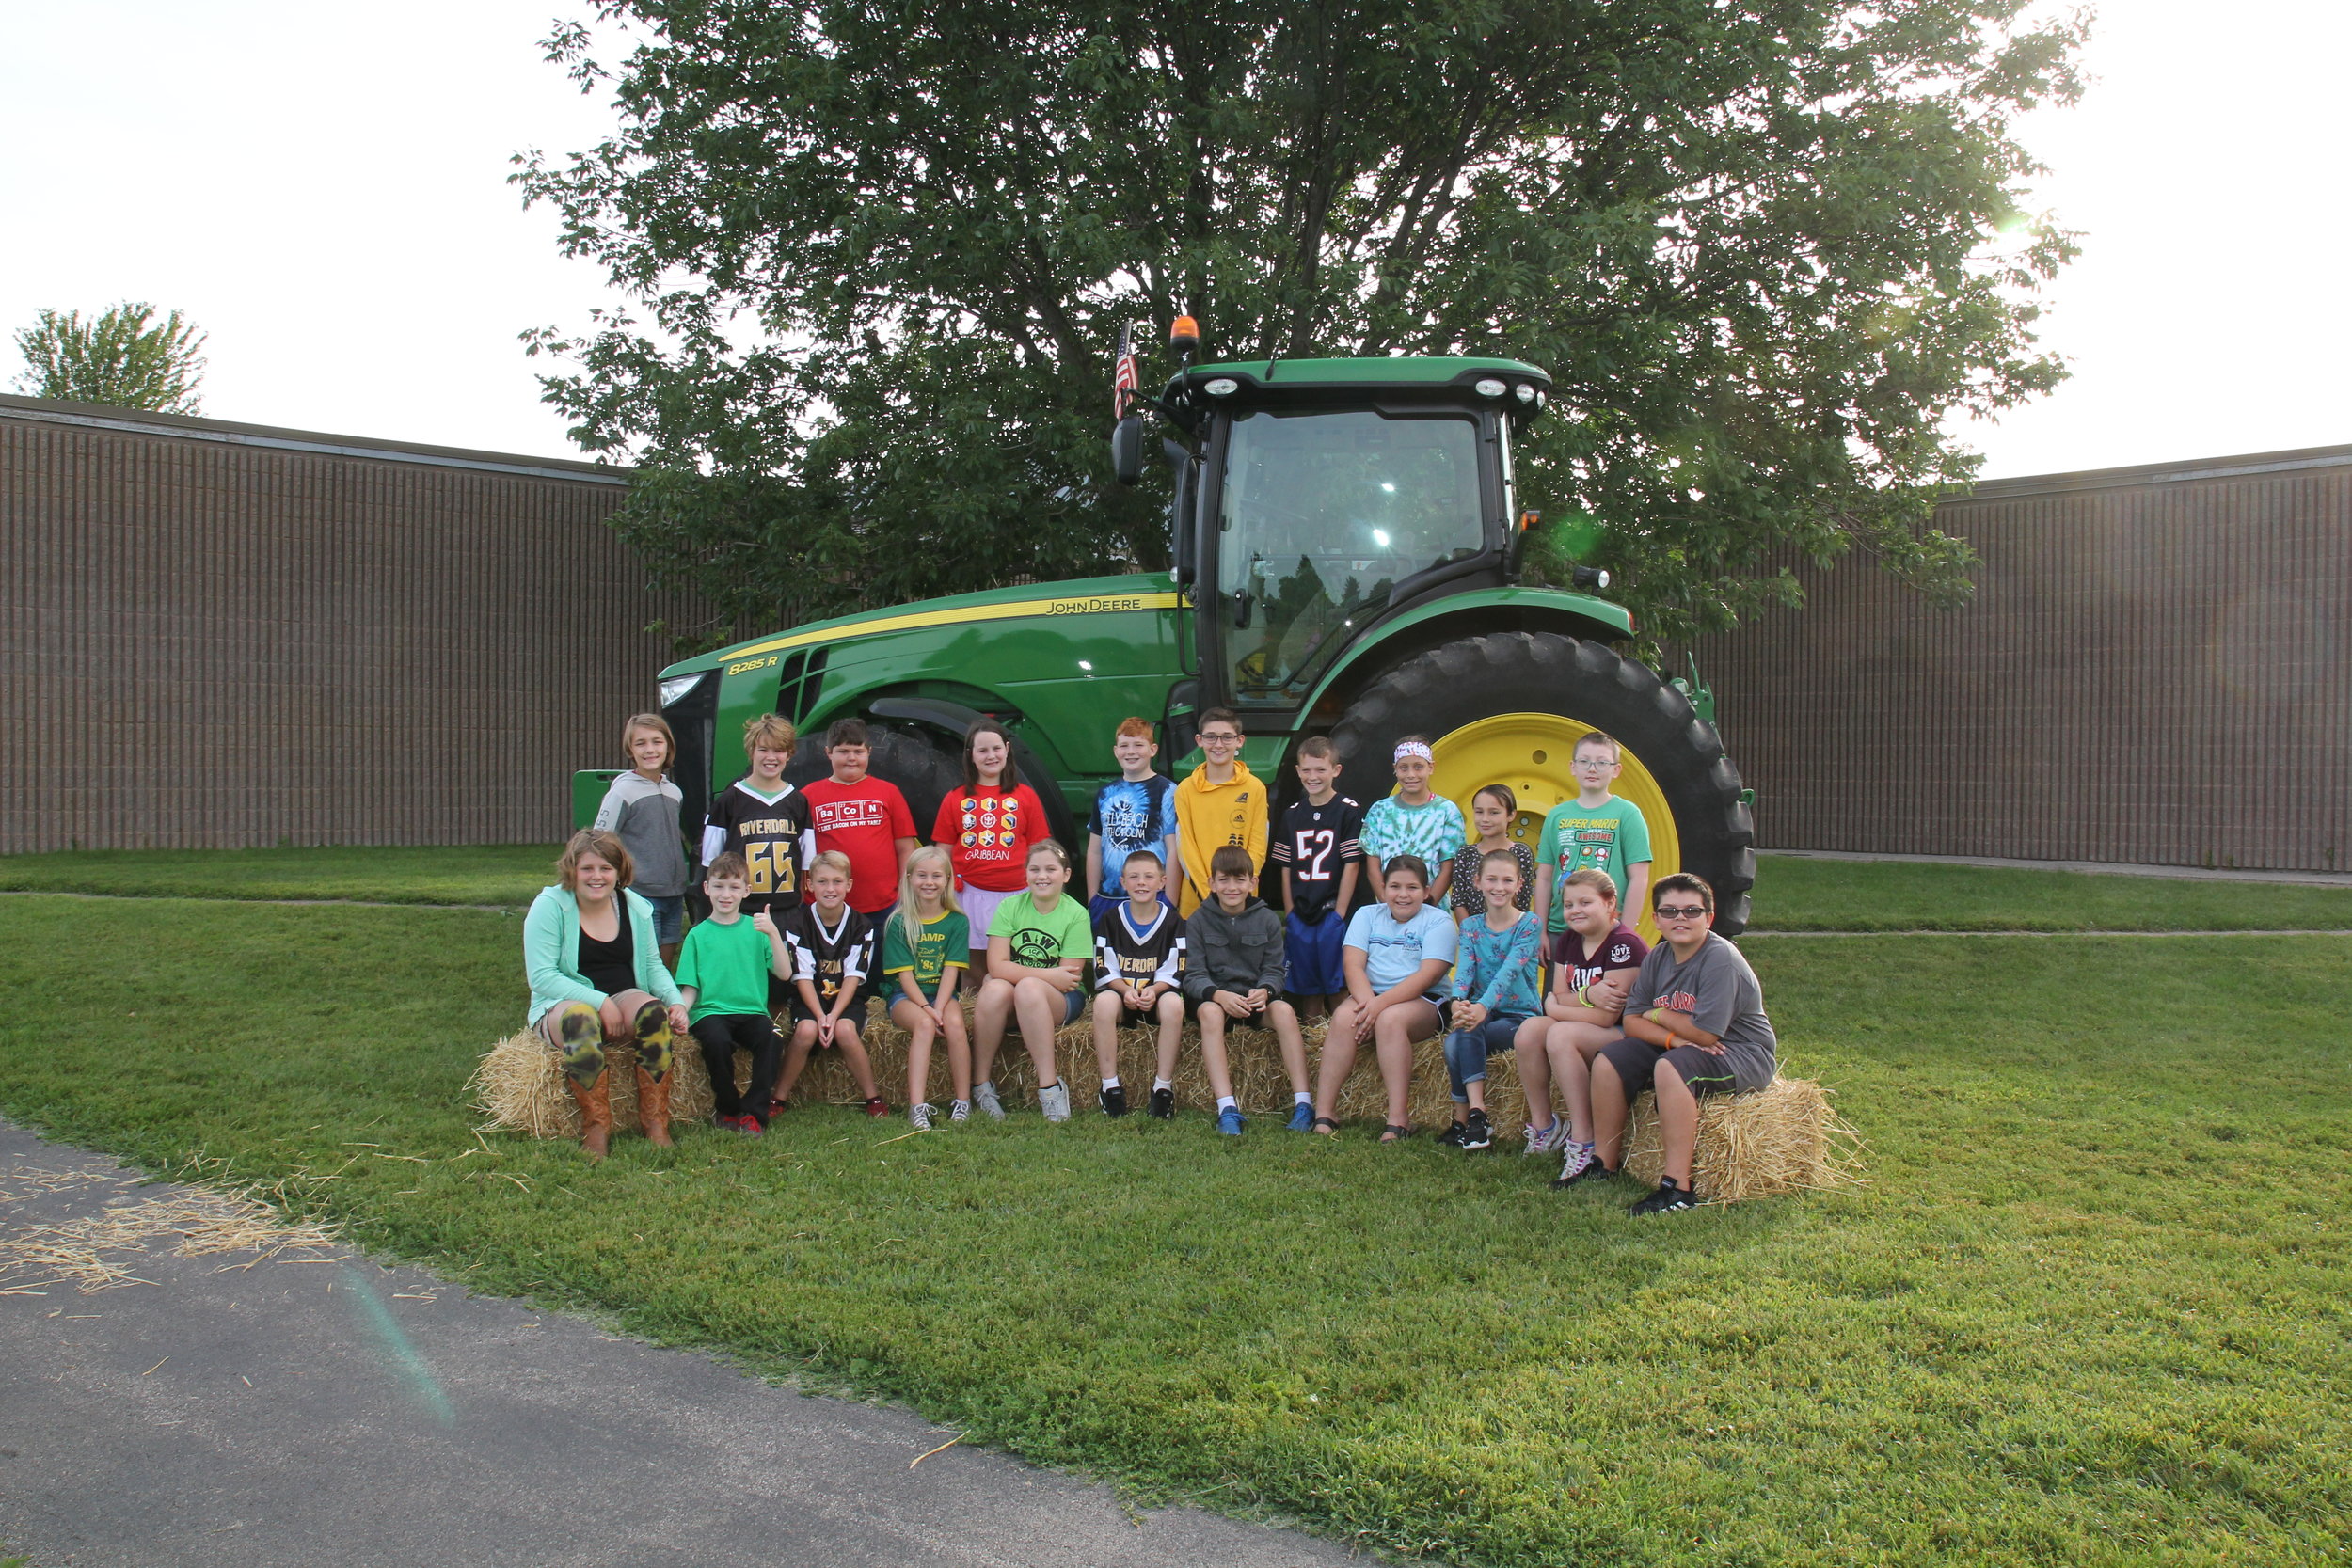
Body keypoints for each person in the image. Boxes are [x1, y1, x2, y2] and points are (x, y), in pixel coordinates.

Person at [1587, 874, 1777, 1214]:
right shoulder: (1658, 956)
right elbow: (1632, 1023)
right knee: (1610, 1060)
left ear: (1709, 918)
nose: (1680, 918)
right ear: (1656, 919)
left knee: (1670, 1067)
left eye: (1692, 910)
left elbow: (1707, 1036)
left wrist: (1658, 1014)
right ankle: (1604, 1163)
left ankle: (1677, 1189)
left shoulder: (1721, 958)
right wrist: (1674, 1037)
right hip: (1687, 1044)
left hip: (1739, 1052)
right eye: (1670, 911)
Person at [522, 828, 689, 1162]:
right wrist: (599, 1002)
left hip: (623, 995)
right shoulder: (550, 906)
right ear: (573, 870)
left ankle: (656, 1123)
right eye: (587, 869)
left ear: (619, 871)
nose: (596, 877)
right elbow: (541, 976)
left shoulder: (634, 907)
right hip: (562, 1003)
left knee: (654, 1015)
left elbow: (653, 964)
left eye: (605, 869)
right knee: (582, 1020)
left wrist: (675, 1002)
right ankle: (596, 1128)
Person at [1309, 855, 1457, 1142]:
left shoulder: (1439, 920)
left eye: (1413, 888)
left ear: (1427, 891)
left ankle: (1398, 1119)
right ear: (1383, 888)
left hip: (1424, 1000)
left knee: (1390, 1020)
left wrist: (1378, 1007)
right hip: (1370, 996)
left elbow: (1427, 976)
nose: (1403, 895)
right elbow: (1352, 965)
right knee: (1342, 1017)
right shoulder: (1366, 915)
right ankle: (1325, 1113)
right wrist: (1367, 1005)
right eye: (1395, 886)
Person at [1518, 868, 1646, 1179]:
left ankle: (1584, 1138)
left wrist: (1558, 1006)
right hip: (1590, 1026)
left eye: (1585, 902)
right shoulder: (1569, 941)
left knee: (1559, 1034)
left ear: (1609, 902)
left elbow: (1605, 1015)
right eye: (1569, 904)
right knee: (1529, 1032)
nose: (1575, 911)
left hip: (1627, 1035)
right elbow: (1559, 995)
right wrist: (1588, 993)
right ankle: (1545, 1126)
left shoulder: (1625, 945)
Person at [1180, 845, 1313, 1134]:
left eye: (1240, 880)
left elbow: (1275, 970)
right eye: (1224, 880)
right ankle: (1227, 1108)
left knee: (1285, 1011)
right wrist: (1218, 994)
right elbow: (1193, 975)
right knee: (1212, 1014)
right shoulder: (1198, 921)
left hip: (1253, 1001)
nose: (1232, 887)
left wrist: (1265, 991)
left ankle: (1304, 1103)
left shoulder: (1267, 919)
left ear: (1252, 883)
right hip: (1213, 1000)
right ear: (1211, 883)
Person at [971, 839, 1092, 1121]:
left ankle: (1050, 1088)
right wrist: (1047, 974)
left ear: (1066, 875)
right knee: (994, 989)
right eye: (1035, 869)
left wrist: (1020, 976)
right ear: (1025, 873)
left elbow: (1068, 981)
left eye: (1051, 869)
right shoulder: (1009, 907)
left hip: (1060, 1001)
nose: (1042, 876)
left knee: (1024, 987)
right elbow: (995, 965)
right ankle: (981, 1085)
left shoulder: (1076, 914)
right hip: (1020, 993)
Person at [699, 714, 815, 996]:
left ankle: (772, 1027)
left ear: (789, 754)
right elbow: (709, 864)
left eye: (778, 750)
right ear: (751, 751)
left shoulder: (798, 802)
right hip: (742, 911)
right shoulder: (729, 800)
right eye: (763, 749)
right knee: (741, 980)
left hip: (785, 911)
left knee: (780, 984)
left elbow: (807, 865)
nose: (771, 757)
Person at [677, 850, 789, 1136]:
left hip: (752, 1012)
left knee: (772, 1039)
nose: (725, 894)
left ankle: (754, 1113)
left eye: (734, 887)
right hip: (711, 1012)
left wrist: (774, 934)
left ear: (746, 891)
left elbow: (784, 973)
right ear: (706, 889)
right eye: (718, 886)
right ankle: (728, 1107)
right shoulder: (697, 935)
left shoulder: (757, 929)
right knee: (716, 1041)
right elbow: (690, 986)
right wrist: (680, 1009)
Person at [1438, 848, 1544, 1151]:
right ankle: (1471, 1118)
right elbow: (1465, 970)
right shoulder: (1470, 926)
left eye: (1507, 880)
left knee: (1466, 1033)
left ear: (1520, 884)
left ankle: (1474, 1117)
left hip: (1519, 1017)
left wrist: (1481, 1006)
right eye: (1492, 879)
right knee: (1453, 1040)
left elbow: (1509, 971)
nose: (1499, 887)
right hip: (1483, 1011)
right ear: (1477, 882)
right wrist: (1458, 1001)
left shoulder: (1529, 924)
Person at [769, 852, 886, 1117]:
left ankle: (873, 1097)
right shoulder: (797, 923)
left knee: (845, 1030)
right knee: (806, 1032)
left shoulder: (862, 925)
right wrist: (821, 1015)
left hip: (847, 998)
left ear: (849, 885)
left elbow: (854, 976)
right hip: (811, 997)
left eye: (836, 881)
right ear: (809, 885)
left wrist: (833, 1015)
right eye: (822, 882)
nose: (830, 889)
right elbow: (803, 977)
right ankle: (779, 1096)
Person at [931, 719, 1050, 974]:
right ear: (971, 756)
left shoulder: (1026, 796)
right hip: (971, 895)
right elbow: (943, 850)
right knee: (973, 970)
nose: (991, 756)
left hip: (1018, 897)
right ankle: (973, 1013)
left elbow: (1039, 849)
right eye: (982, 750)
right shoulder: (955, 799)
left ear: (1007, 749)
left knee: (1017, 965)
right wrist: (942, 890)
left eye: (996, 748)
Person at [1269, 736, 1363, 1021]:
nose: (1313, 777)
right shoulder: (1292, 814)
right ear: (1298, 771)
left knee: (1337, 986)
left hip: (1331, 909)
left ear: (1335, 770)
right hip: (1302, 910)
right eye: (1307, 770)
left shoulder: (1348, 810)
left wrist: (1340, 913)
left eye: (1320, 770)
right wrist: (1290, 911)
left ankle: (1345, 1042)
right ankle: (1313, 1047)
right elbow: (1285, 867)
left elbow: (1351, 864)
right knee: (1309, 990)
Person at [1531, 731, 1652, 944]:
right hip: (1561, 930)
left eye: (1602, 762)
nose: (1592, 769)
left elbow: (1639, 878)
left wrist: (1626, 934)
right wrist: (1541, 931)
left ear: (1616, 770)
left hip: (1609, 930)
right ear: (1572, 767)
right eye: (1584, 761)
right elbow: (1544, 877)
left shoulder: (1627, 814)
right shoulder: (1557, 816)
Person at [1090, 849, 1184, 1117]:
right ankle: (1110, 1086)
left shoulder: (1174, 921)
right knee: (1104, 1002)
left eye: (1148, 877)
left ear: (1162, 881)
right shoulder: (1109, 920)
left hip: (1157, 997)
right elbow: (1103, 964)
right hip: (1124, 997)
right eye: (1134, 877)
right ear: (1122, 882)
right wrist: (1124, 990)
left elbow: (1177, 966)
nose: (1141, 882)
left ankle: (1163, 1088)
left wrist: (1154, 990)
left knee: (1174, 1005)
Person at [882, 845, 971, 1131]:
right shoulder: (898, 922)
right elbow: (905, 977)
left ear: (948, 879)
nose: (929, 882)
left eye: (936, 876)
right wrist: (928, 1010)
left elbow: (951, 971)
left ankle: (963, 1101)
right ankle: (917, 1106)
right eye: (921, 875)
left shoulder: (957, 921)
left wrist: (941, 1008)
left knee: (956, 1024)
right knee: (923, 1025)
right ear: (908, 878)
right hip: (907, 998)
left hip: (943, 995)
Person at [594, 712, 690, 969]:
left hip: (673, 894)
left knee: (664, 966)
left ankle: (658, 1008)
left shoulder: (674, 792)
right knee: (643, 965)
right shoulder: (622, 791)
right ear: (630, 749)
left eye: (656, 742)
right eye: (641, 743)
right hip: (641, 894)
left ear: (668, 745)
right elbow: (601, 841)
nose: (650, 750)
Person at [801, 717, 919, 921]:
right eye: (843, 751)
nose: (851, 758)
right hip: (828, 906)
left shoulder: (888, 792)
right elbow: (800, 851)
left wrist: (904, 893)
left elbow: (905, 848)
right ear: (828, 753)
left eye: (858, 751)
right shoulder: (808, 796)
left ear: (869, 753)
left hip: (883, 905)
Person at [1171, 707, 1268, 917]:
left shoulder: (1255, 788)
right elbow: (1185, 848)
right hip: (1197, 904)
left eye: (1226, 737)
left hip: (1241, 902)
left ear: (1239, 741)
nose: (1218, 744)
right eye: (1211, 737)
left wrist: (1237, 890)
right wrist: (1211, 895)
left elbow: (1258, 846)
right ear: (1199, 740)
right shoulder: (1185, 790)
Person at [1084, 717, 1180, 924]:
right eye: (1124, 746)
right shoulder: (1105, 794)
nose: (1131, 752)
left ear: (1153, 749)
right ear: (1116, 751)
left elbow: (1173, 849)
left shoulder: (1167, 792)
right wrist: (1093, 898)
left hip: (1153, 898)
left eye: (1138, 745)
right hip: (1109, 897)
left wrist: (1170, 900)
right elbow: (1094, 850)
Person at [1358, 737, 1466, 882]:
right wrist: (1387, 901)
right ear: (1395, 769)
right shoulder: (1379, 811)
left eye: (1418, 767)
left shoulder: (1447, 811)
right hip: (1389, 903)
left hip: (1434, 904)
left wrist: (1429, 903)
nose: (1411, 775)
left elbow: (1448, 869)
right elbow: (1373, 868)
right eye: (1404, 767)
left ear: (1431, 767)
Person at [1446, 784, 1536, 922]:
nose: (1485, 819)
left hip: (1511, 934)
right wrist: (1472, 934)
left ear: (1511, 815)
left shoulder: (1521, 853)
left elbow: (1523, 902)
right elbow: (1459, 901)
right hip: (1474, 936)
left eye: (1494, 812)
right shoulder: (1466, 853)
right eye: (1479, 812)